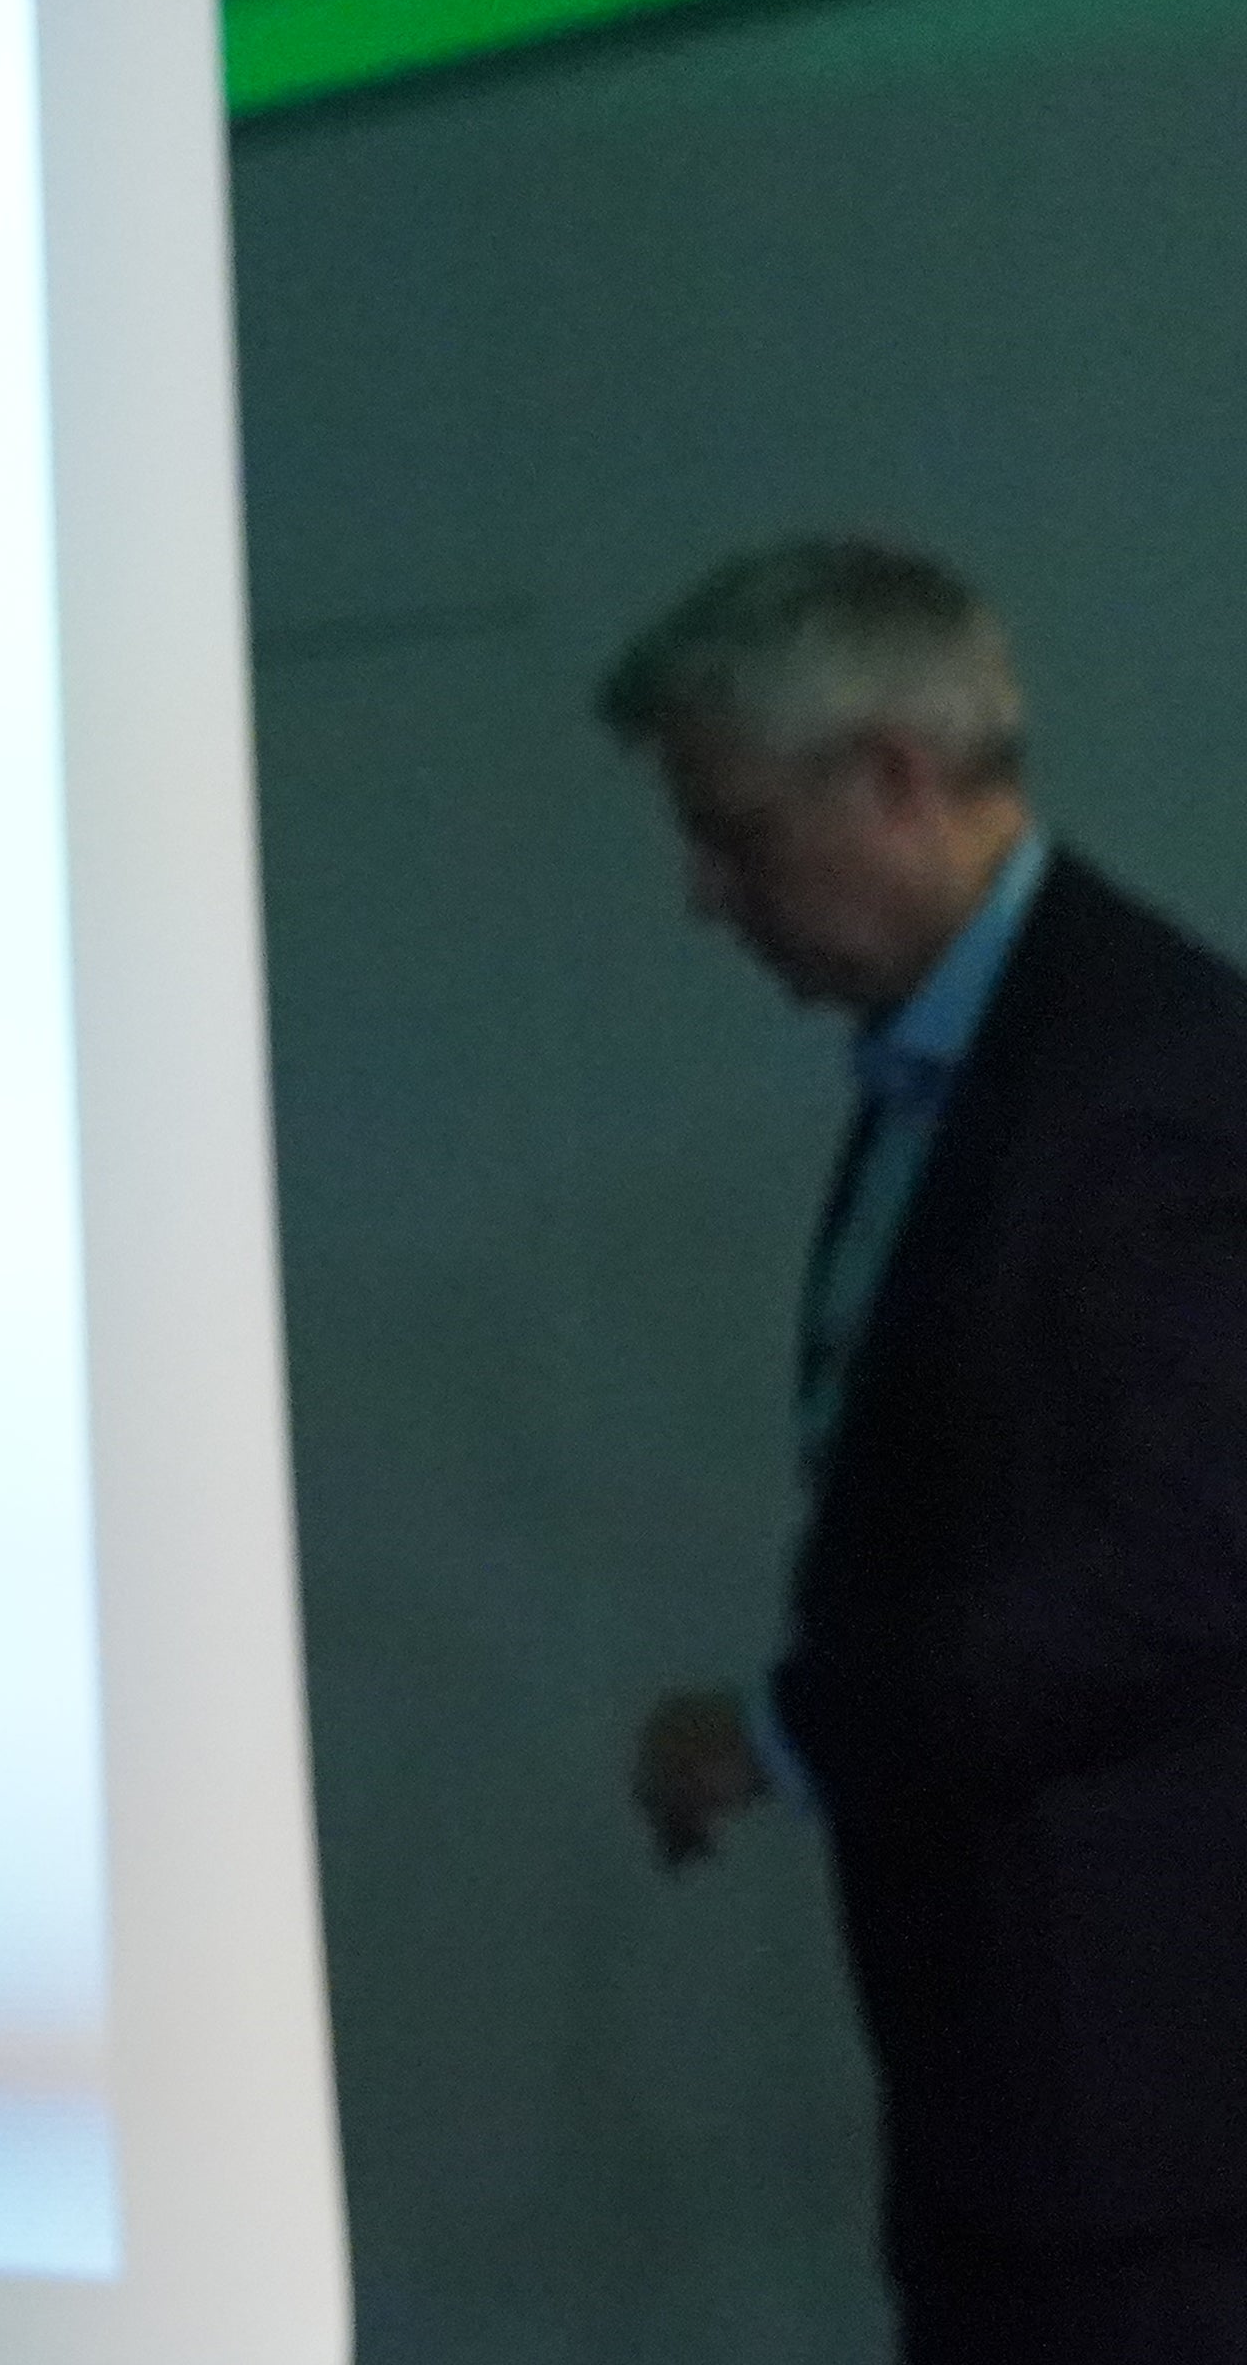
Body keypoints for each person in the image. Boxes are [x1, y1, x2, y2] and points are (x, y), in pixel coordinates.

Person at [606, 541, 1247, 2365]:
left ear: (891, 777)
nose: (703, 897)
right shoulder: (982, 1063)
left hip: (1152, 2131)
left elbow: (1192, 1562)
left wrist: (791, 1726)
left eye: (731, 831)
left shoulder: (1154, 1078)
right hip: (1031, 2102)